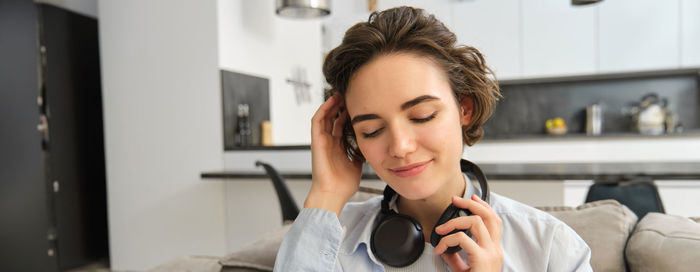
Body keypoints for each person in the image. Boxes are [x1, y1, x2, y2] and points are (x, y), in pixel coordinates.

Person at [274, 6, 592, 272]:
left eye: (423, 116)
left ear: (464, 109)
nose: (400, 147)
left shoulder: (553, 249)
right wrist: (326, 195)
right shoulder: (327, 240)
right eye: (371, 131)